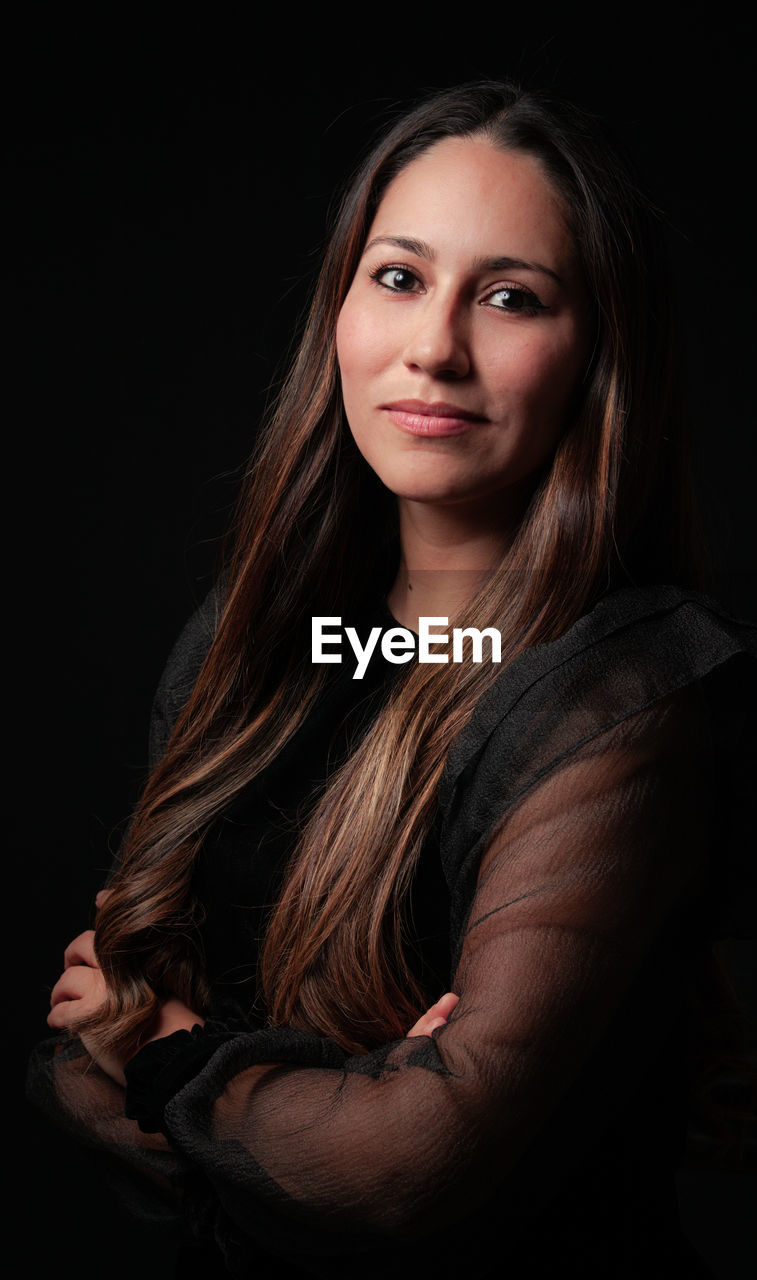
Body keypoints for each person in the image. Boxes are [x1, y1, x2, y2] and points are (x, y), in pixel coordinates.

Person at [28, 80, 755, 1278]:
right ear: (340, 308)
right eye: (400, 277)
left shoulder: (621, 696)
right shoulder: (253, 643)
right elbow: (69, 1060)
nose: (434, 347)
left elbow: (411, 1167)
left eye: (510, 297)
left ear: (596, 352)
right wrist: (331, 1096)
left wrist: (172, 1055)